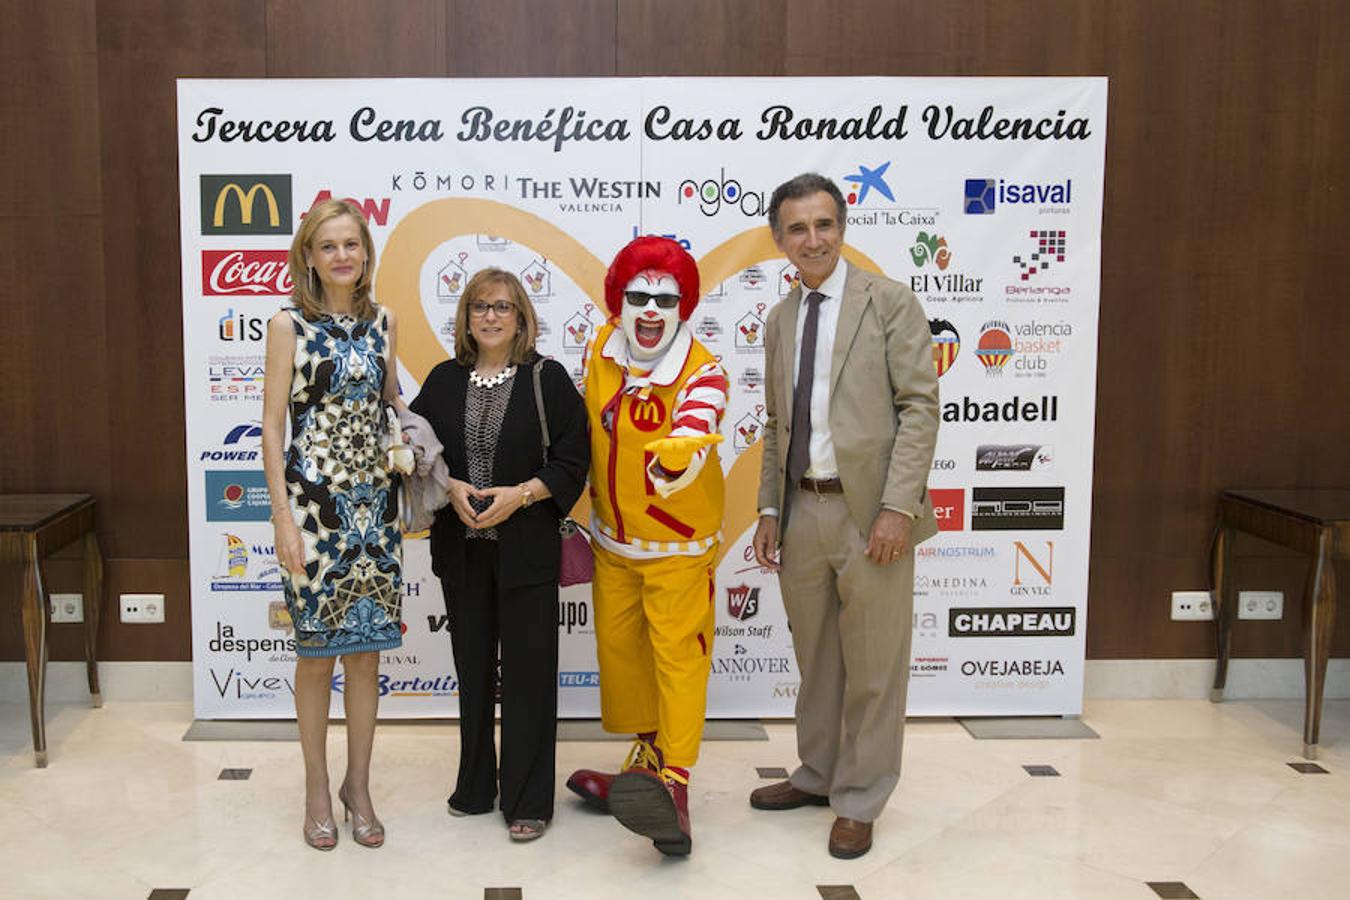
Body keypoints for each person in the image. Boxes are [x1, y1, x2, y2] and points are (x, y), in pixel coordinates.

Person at [749, 173, 940, 860]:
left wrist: (898, 507)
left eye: (823, 224)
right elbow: (776, 421)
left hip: (871, 516)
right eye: (797, 228)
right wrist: (770, 507)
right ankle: (819, 774)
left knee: (875, 665)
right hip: (802, 510)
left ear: (843, 226)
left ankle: (859, 799)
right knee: (818, 660)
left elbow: (920, 407)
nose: (813, 238)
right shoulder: (779, 319)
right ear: (780, 240)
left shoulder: (888, 302)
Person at [410, 268, 588, 842]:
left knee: (531, 677)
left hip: (527, 553)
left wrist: (523, 495)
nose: (491, 316)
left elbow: (571, 460)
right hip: (462, 554)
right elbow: (415, 454)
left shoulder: (548, 379)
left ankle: (528, 798)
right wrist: (450, 487)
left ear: (521, 318)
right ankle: (475, 787)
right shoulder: (441, 381)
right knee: (473, 673)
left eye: (503, 307)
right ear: (465, 317)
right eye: (481, 306)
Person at [565, 236, 728, 856]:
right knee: (623, 658)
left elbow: (697, 421)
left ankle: (675, 786)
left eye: (667, 298)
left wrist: (676, 462)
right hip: (614, 544)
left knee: (678, 662)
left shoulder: (704, 369)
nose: (653, 310)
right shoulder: (600, 352)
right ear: (618, 303)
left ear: (684, 306)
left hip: (677, 552)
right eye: (640, 296)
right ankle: (644, 764)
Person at [262, 198, 406, 851]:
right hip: (314, 512)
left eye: (352, 243)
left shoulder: (385, 322)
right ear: (310, 257)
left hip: (375, 511)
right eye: (329, 246)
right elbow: (271, 429)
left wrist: (411, 435)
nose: (342, 255)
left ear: (365, 252)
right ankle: (317, 788)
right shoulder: (287, 324)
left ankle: (360, 786)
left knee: (368, 657)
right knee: (317, 658)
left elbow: (390, 402)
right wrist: (281, 518)